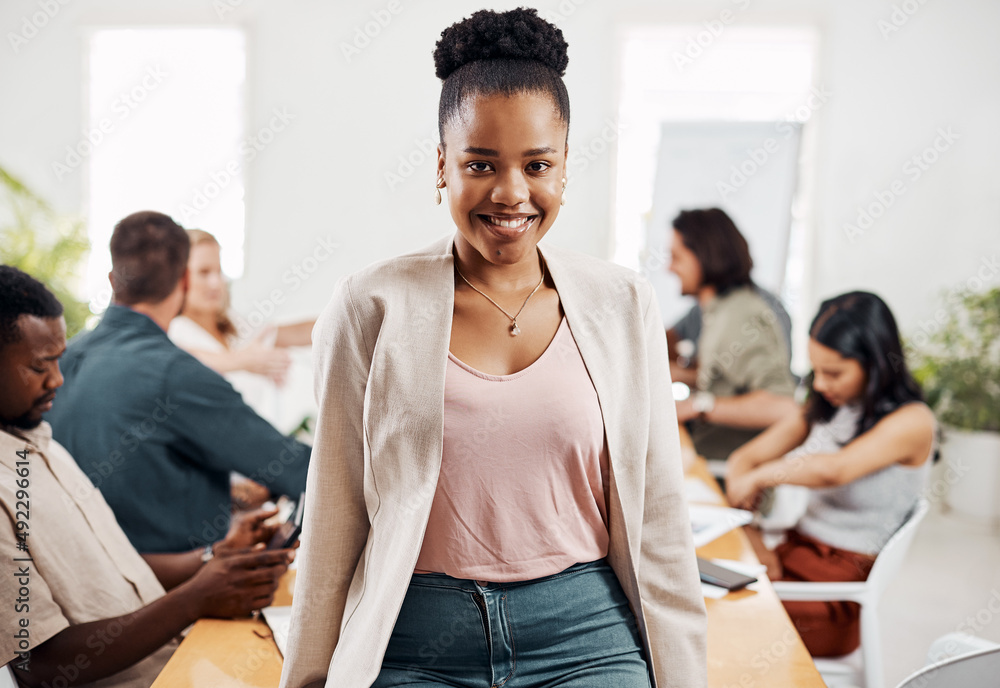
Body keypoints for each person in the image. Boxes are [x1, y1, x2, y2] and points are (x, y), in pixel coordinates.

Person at [279, 9, 706, 688]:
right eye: (481, 163)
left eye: (538, 164)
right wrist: (307, 678)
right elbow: (336, 514)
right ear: (442, 164)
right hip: (416, 634)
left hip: (584, 631)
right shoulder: (369, 306)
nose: (511, 193)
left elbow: (658, 514)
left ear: (565, 168)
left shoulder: (624, 304)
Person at [0, 265, 294, 687]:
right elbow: (40, 665)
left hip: (176, 660)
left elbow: (114, 567)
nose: (58, 380)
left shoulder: (43, 444)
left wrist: (216, 557)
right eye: (39, 366)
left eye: (59, 361)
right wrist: (196, 599)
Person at [45, 211, 311, 553]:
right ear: (184, 282)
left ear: (113, 280)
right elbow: (296, 469)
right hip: (174, 589)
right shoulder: (176, 373)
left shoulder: (63, 359)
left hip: (75, 570)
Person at [725, 291, 935, 657]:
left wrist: (760, 478)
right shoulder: (828, 405)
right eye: (815, 370)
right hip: (793, 561)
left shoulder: (912, 421)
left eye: (834, 372)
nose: (820, 384)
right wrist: (747, 502)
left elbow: (833, 471)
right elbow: (744, 458)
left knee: (709, 613)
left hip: (834, 597)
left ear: (876, 364)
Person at [668, 207, 798, 463]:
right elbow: (730, 383)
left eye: (676, 258)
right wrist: (683, 376)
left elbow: (782, 405)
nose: (669, 268)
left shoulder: (741, 316)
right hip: (707, 462)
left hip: (724, 476)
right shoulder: (718, 310)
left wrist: (698, 406)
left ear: (703, 256)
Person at [169, 228, 316, 425]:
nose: (216, 282)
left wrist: (353, 315)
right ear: (179, 277)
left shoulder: (234, 324)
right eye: (204, 272)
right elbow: (187, 361)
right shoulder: (175, 331)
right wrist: (243, 360)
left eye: (218, 271)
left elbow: (297, 333)